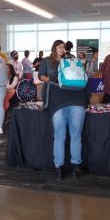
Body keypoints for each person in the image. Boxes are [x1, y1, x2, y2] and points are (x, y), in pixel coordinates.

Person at [38, 40, 89, 181]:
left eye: (63, 47)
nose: (62, 49)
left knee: (60, 136)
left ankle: (60, 168)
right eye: (59, 47)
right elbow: (85, 81)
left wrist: (55, 81)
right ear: (54, 47)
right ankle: (75, 167)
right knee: (75, 136)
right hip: (77, 101)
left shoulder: (61, 63)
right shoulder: (72, 61)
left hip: (57, 103)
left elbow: (42, 76)